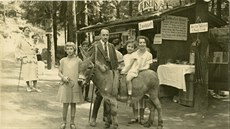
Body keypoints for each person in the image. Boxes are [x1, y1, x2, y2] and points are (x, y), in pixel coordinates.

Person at [89, 28, 118, 128]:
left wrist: (115, 71)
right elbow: (91, 60)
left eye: (107, 35)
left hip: (110, 74)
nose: (105, 37)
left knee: (109, 97)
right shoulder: (95, 46)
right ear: (100, 36)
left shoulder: (111, 46)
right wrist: (100, 65)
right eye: (103, 35)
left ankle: (107, 117)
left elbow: (115, 60)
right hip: (100, 75)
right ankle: (93, 118)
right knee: (99, 96)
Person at [57, 42, 84, 129]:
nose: (69, 51)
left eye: (71, 49)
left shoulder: (79, 61)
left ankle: (72, 122)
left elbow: (81, 72)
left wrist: (80, 78)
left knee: (73, 103)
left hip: (75, 84)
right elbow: (59, 72)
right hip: (65, 84)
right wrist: (63, 77)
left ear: (74, 50)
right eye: (67, 49)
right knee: (65, 104)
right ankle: (64, 121)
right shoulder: (62, 60)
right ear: (65, 50)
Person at [121, 36, 153, 104]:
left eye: (144, 42)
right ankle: (129, 94)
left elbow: (148, 65)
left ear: (146, 44)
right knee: (128, 79)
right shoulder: (134, 54)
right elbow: (130, 65)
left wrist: (142, 69)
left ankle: (147, 93)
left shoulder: (149, 55)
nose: (142, 44)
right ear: (138, 44)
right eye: (140, 43)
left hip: (144, 70)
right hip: (135, 70)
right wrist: (124, 70)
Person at [15, 26, 40, 92]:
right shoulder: (21, 39)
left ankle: (35, 87)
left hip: (33, 57)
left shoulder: (32, 39)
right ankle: (28, 86)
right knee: (27, 72)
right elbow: (17, 48)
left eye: (29, 30)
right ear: (23, 31)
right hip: (26, 57)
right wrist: (19, 56)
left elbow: (35, 47)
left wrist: (36, 49)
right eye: (26, 30)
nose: (27, 31)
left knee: (34, 72)